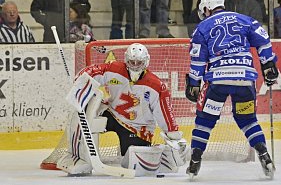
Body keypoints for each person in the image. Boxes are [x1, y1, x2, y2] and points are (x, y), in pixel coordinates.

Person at [57, 43, 188, 176]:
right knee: (85, 118)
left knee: (130, 165)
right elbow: (93, 71)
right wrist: (80, 81)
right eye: (132, 62)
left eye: (139, 62)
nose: (135, 66)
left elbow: (164, 113)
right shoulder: (114, 69)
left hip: (138, 128)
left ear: (146, 62)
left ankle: (161, 154)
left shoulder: (156, 86)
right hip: (113, 115)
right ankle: (82, 160)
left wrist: (173, 134)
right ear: (126, 60)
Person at [185, 0, 278, 179]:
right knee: (248, 120)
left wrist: (194, 83)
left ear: (207, 8)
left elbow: (198, 61)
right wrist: (268, 64)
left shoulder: (202, 27)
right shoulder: (245, 19)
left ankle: (195, 160)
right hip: (245, 79)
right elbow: (264, 40)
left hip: (218, 80)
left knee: (205, 119)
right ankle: (264, 154)